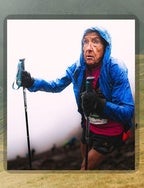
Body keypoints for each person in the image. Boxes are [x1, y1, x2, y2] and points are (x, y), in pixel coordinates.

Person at [20, 26, 135, 170]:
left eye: (95, 42)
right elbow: (56, 85)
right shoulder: (77, 68)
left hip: (110, 130)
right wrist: (32, 82)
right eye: (85, 42)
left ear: (105, 46)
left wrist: (99, 104)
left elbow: (127, 111)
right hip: (88, 125)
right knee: (85, 161)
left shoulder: (116, 69)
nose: (89, 48)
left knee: (85, 168)